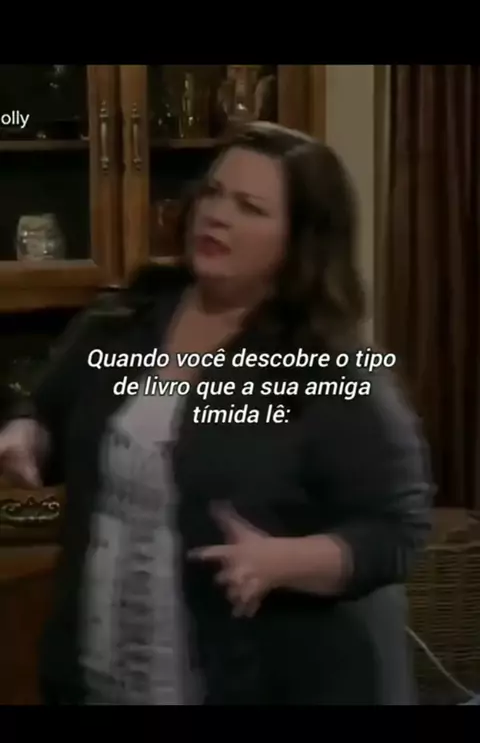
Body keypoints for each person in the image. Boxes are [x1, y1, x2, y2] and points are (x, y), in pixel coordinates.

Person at [0, 122, 433, 705]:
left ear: (300, 239)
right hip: (100, 677)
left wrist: (282, 561)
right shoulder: (121, 321)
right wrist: (25, 433)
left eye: (249, 207)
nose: (216, 216)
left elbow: (398, 530)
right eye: (212, 193)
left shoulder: (331, 366)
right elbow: (44, 409)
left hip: (262, 685)